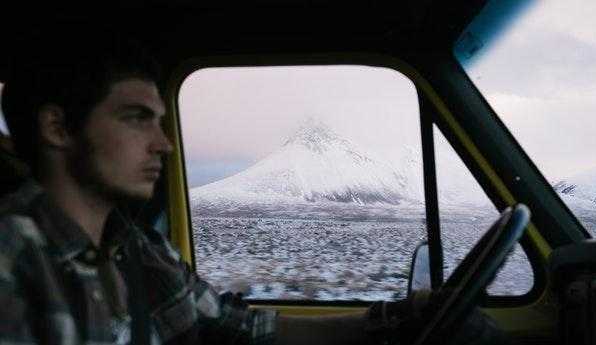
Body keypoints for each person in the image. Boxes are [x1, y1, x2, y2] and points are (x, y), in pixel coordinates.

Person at [0, 35, 435, 344]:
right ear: (57, 128)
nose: (163, 144)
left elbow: (232, 328)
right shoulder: (13, 263)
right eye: (136, 118)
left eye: (161, 121)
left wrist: (391, 319)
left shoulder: (138, 248)